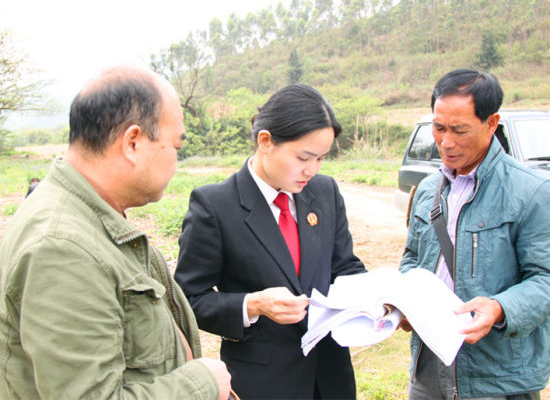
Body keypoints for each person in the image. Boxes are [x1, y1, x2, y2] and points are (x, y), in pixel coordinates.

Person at [0, 65, 232, 400]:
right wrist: (202, 383)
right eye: (176, 147)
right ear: (133, 142)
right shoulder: (63, 248)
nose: (175, 161)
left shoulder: (91, 215)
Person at [175, 84, 366, 399]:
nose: (312, 170)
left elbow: (344, 265)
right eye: (304, 157)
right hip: (263, 382)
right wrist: (253, 305)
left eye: (321, 158)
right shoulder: (216, 206)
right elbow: (189, 299)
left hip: (330, 375)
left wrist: (375, 298)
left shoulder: (324, 191)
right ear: (265, 141)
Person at [400, 68, 550, 399]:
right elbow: (412, 257)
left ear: (491, 123)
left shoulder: (533, 191)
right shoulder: (427, 190)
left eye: (460, 130)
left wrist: (498, 307)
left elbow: (545, 279)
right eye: (438, 128)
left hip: (497, 374)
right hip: (429, 367)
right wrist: (404, 300)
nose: (446, 142)